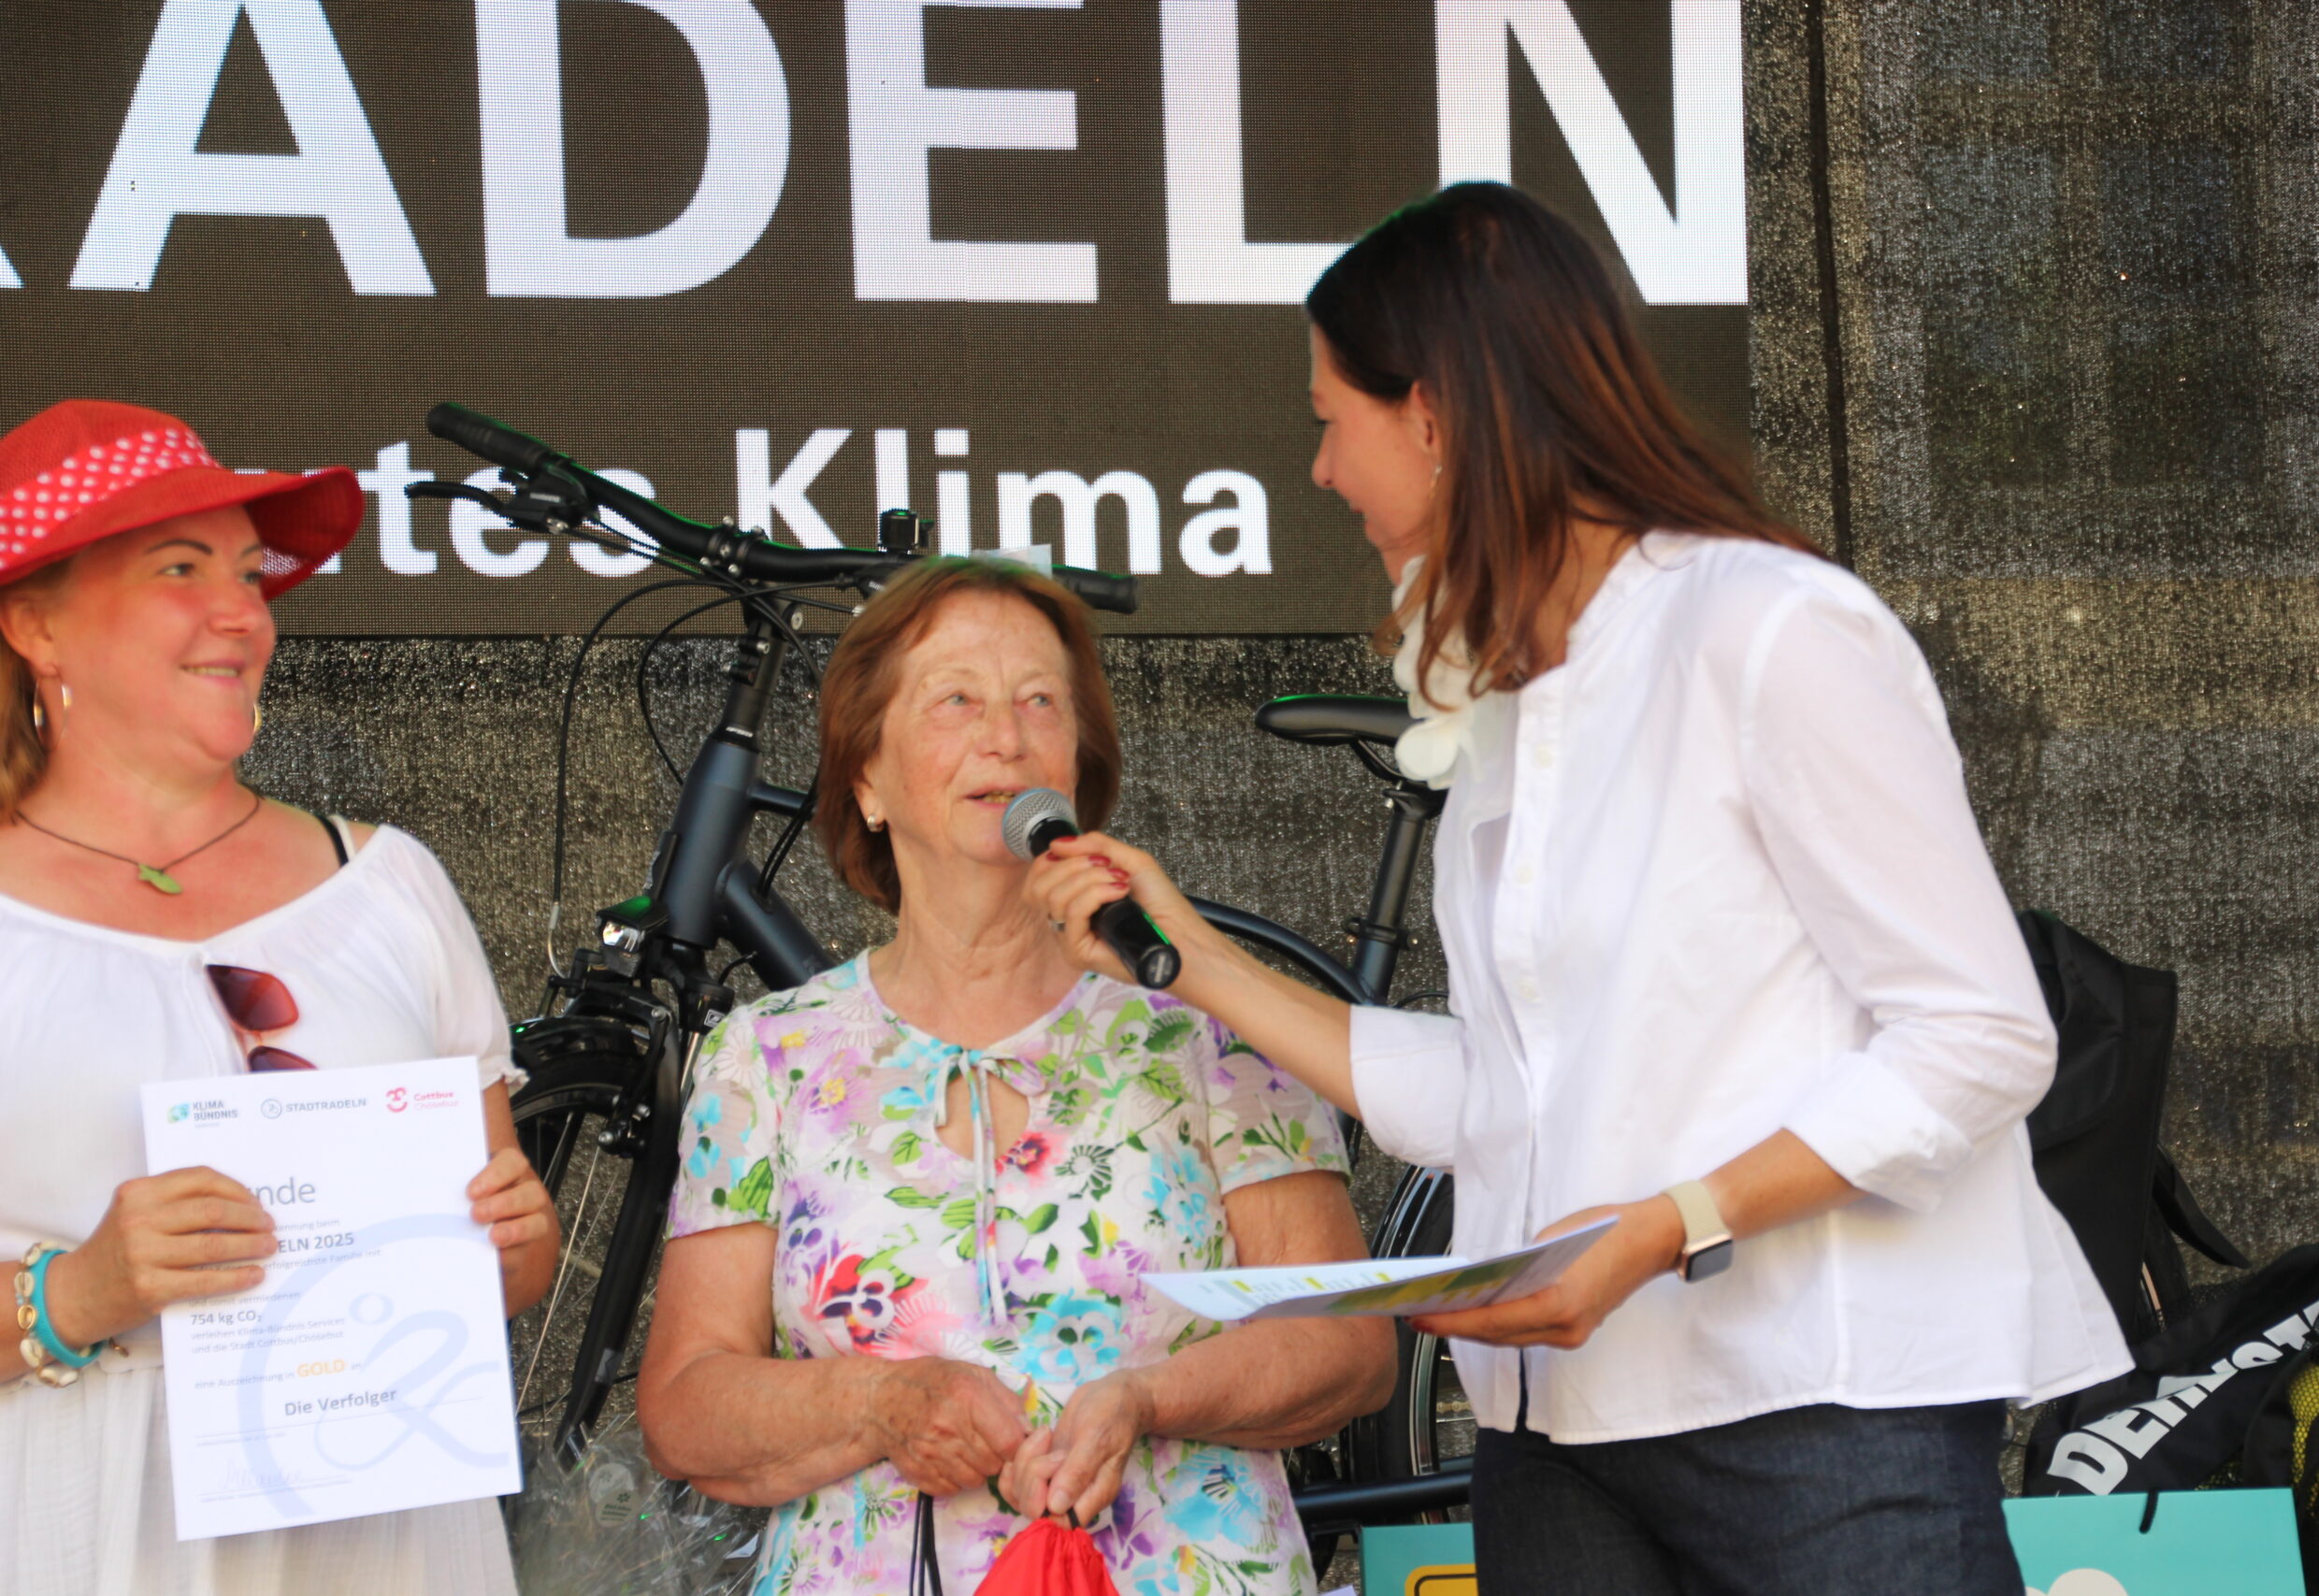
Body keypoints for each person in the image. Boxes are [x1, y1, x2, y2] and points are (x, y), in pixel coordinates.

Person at [1026, 183, 2132, 1594]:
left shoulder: (1768, 628)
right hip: (1553, 1429)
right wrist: (1194, 959)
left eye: (1330, 418)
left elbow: (1981, 1036)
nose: (1321, 468)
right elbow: (1507, 1095)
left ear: (1433, 414)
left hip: (1817, 1412)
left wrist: (1666, 1227)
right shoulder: (1514, 701)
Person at [639, 558, 1392, 1595]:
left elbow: (1347, 1343)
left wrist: (1147, 1399)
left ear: (1078, 765)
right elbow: (685, 1404)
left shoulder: (1208, 1021)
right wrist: (878, 1405)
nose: (1006, 736)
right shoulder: (766, 1055)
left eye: (1041, 700)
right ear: (865, 779)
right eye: (956, 699)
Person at [0, 400, 560, 1596]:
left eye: (250, 575)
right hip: (79, 1530)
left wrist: (514, 1239)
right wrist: (76, 1294)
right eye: (180, 569)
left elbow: (507, 1263)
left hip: (385, 1532)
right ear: (35, 625)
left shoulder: (389, 881)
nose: (242, 614)